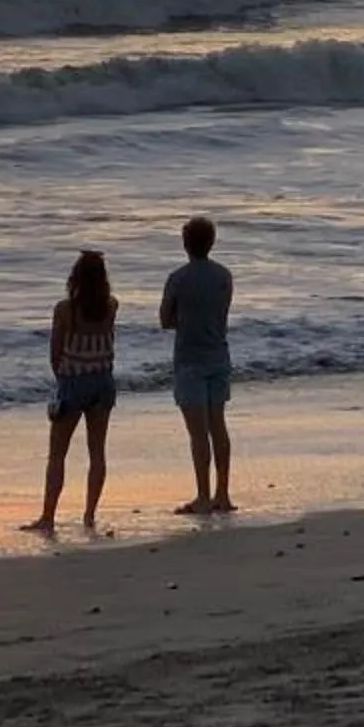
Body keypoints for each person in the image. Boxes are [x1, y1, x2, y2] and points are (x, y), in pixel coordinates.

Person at [31, 250, 117, 533]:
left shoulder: (65, 310)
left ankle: (48, 516)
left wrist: (62, 380)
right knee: (97, 452)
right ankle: (89, 514)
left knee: (58, 453)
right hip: (102, 380)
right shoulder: (111, 306)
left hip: (74, 381)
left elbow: (55, 352)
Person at [157, 217, 234, 515]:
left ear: (186, 243)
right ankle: (223, 493)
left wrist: (184, 320)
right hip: (218, 354)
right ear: (211, 242)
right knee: (219, 427)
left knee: (198, 433)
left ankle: (203, 495)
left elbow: (165, 320)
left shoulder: (178, 278)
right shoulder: (224, 276)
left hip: (190, 359)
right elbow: (222, 313)